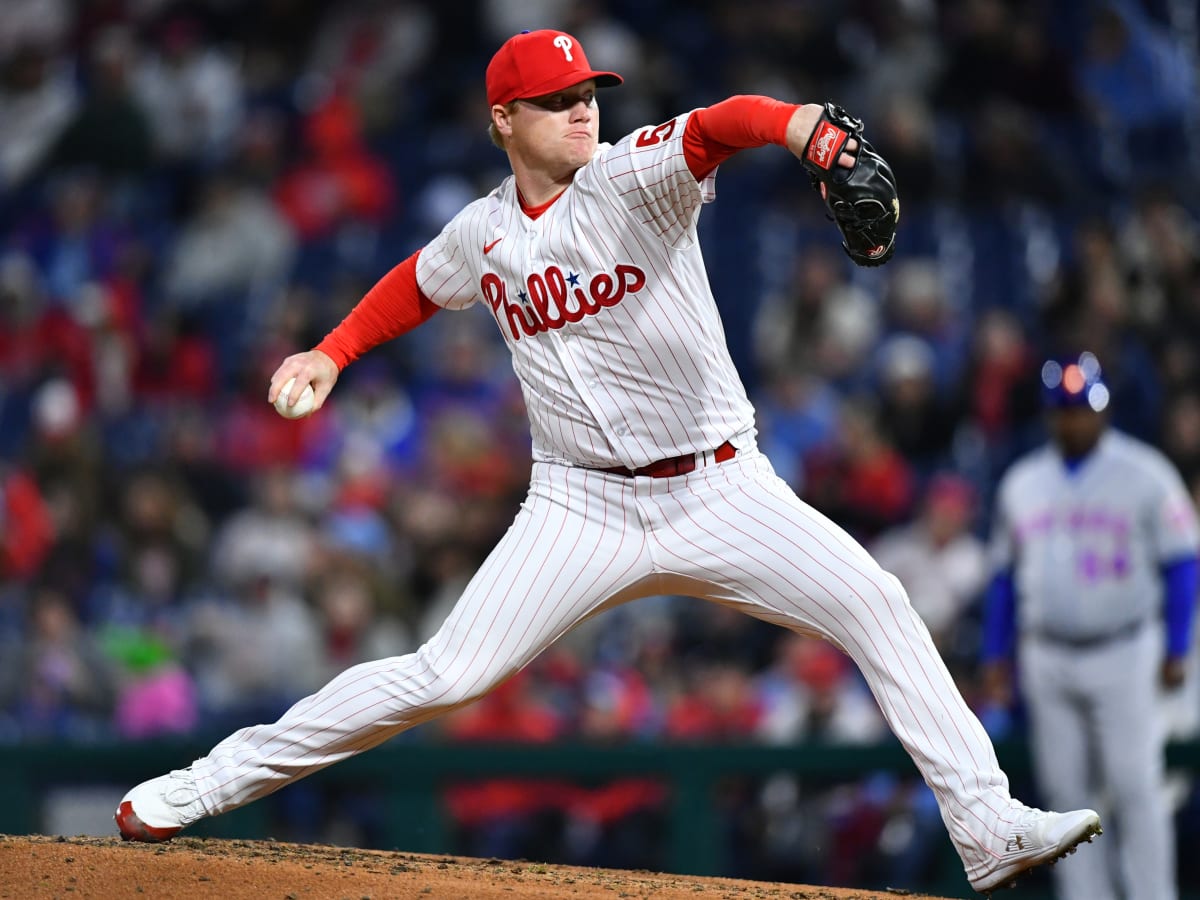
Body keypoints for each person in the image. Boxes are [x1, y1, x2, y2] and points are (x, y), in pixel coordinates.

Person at [114, 28, 1102, 893]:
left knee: (877, 601)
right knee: (443, 675)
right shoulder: (486, 233)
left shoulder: (635, 176)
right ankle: (204, 785)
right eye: (558, 100)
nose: (583, 110)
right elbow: (417, 284)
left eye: (589, 92)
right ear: (505, 120)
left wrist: (816, 133)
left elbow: (724, 122)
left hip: (720, 487)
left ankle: (987, 826)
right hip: (577, 507)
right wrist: (330, 353)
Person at [981, 351, 1199, 900]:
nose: (1075, 419)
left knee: (1134, 787)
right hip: (1046, 653)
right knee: (1066, 798)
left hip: (1125, 649)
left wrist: (1177, 645)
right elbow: (1003, 579)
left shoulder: (1147, 472)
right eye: (1065, 409)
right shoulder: (1022, 481)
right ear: (1050, 414)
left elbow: (1183, 563)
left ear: (1103, 410)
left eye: (1084, 408)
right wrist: (994, 656)